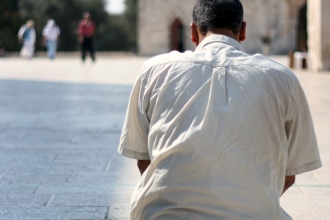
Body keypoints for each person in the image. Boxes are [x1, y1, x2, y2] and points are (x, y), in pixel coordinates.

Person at [118, 0, 322, 219]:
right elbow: (289, 176)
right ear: (243, 31)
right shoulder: (283, 79)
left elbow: (143, 160)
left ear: (193, 32)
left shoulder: (153, 71)